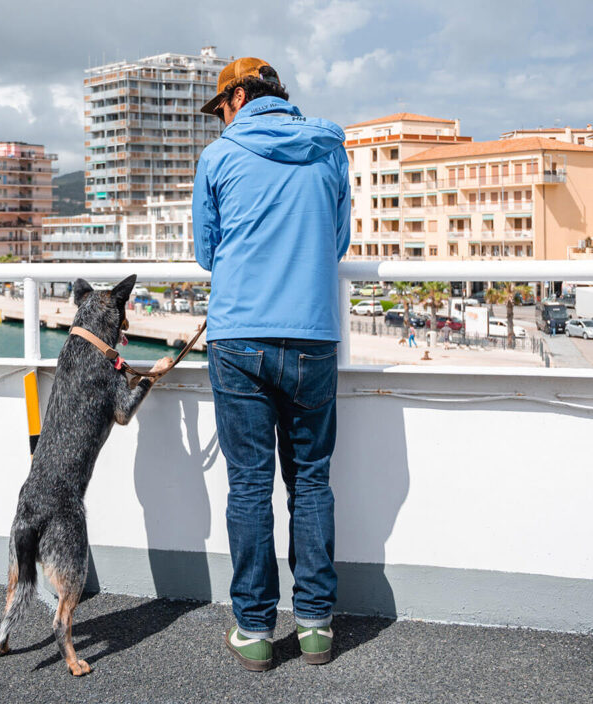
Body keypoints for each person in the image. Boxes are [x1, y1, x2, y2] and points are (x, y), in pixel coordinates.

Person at [193, 57, 348, 672]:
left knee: (249, 486)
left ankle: (254, 631)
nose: (221, 119)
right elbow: (335, 243)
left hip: (239, 339)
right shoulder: (328, 150)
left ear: (236, 97)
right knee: (310, 480)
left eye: (221, 107)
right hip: (312, 335)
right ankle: (314, 626)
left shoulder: (220, 157)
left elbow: (208, 252)